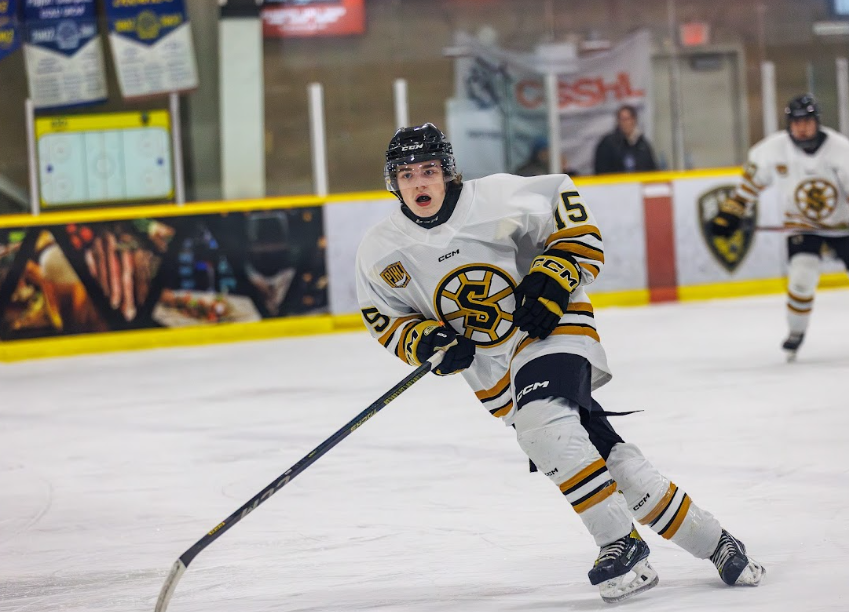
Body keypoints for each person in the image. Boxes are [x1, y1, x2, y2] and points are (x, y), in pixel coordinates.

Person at [356, 123, 764, 603]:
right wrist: (426, 341)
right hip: (495, 371)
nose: (418, 183)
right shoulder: (380, 250)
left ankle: (620, 542)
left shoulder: (498, 198)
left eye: (428, 170)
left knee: (544, 427)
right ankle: (717, 543)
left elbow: (569, 212)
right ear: (394, 182)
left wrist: (557, 270)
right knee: (609, 461)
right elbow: (386, 319)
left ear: (447, 172)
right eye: (406, 175)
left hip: (550, 328)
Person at [710, 94, 849, 359]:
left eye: (807, 121)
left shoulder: (841, 150)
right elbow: (749, 187)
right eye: (796, 122)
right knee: (801, 277)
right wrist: (730, 215)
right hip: (802, 226)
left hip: (843, 226)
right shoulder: (773, 150)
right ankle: (796, 332)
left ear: (817, 122)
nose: (802, 127)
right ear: (789, 124)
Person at [593, 105, 658, 174]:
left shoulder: (643, 145)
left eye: (627, 119)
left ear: (634, 120)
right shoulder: (608, 143)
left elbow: (653, 169)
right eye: (621, 119)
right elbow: (601, 170)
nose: (624, 123)